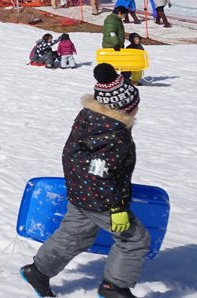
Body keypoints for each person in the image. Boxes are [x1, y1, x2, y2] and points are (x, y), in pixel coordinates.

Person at [20, 64, 148, 298]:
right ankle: (115, 287)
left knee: (74, 235)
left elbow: (77, 159)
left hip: (79, 192)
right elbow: (101, 175)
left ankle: (38, 271)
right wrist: (117, 208)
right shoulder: (115, 135)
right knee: (134, 240)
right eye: (135, 105)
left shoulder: (89, 119)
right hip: (101, 199)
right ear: (125, 108)